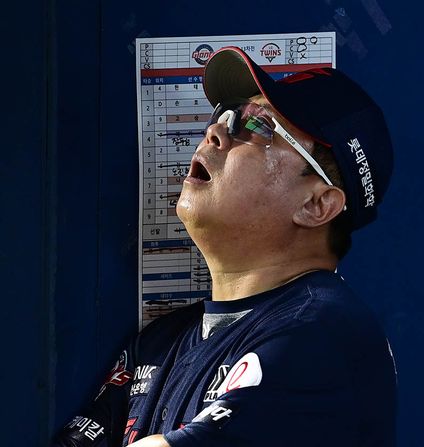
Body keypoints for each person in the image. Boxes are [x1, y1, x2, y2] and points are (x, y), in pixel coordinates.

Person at [52, 46, 396, 447]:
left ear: (316, 205)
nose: (215, 131)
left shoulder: (324, 335)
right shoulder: (160, 342)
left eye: (257, 126)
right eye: (226, 115)